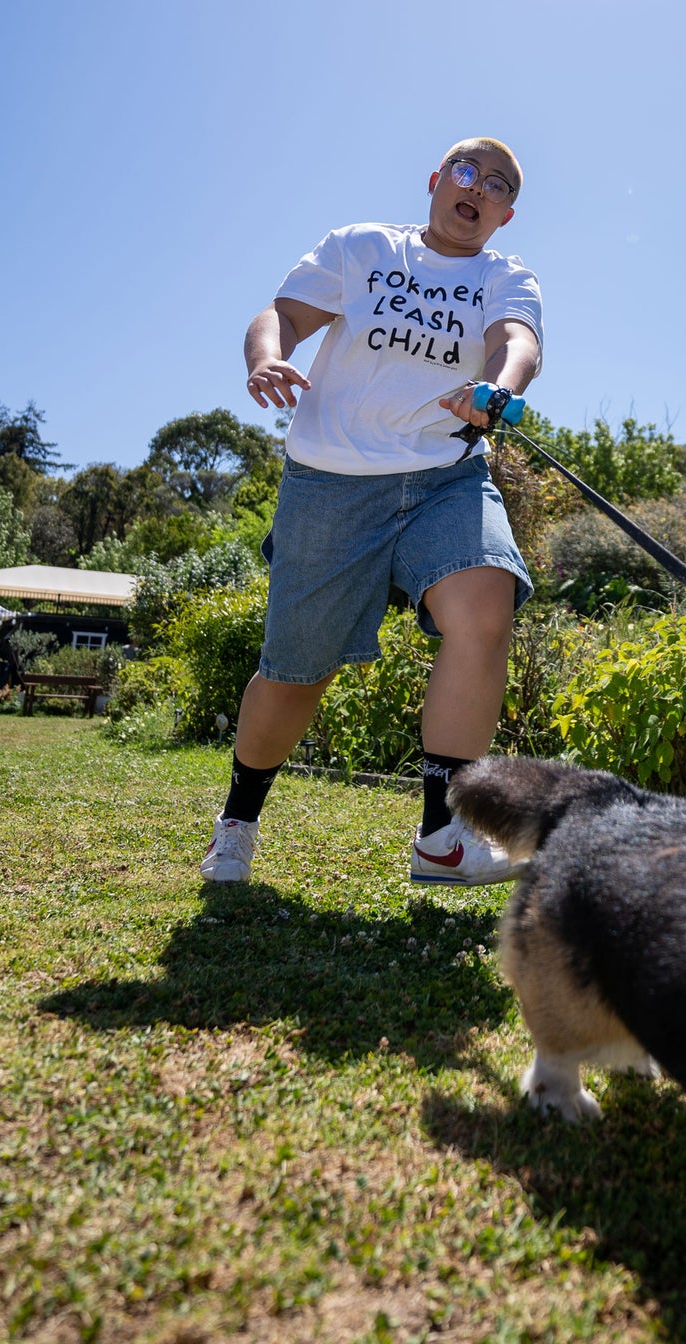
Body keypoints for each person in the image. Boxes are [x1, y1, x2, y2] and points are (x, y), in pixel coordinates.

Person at [200, 137, 542, 887]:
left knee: (484, 606)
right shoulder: (363, 247)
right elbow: (280, 315)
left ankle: (443, 835)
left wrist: (496, 388)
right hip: (331, 482)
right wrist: (265, 357)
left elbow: (515, 342)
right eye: (465, 171)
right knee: (295, 674)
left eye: (496, 184)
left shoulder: (502, 275)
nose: (476, 187)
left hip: (445, 475)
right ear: (434, 180)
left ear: (504, 213)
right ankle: (238, 818)